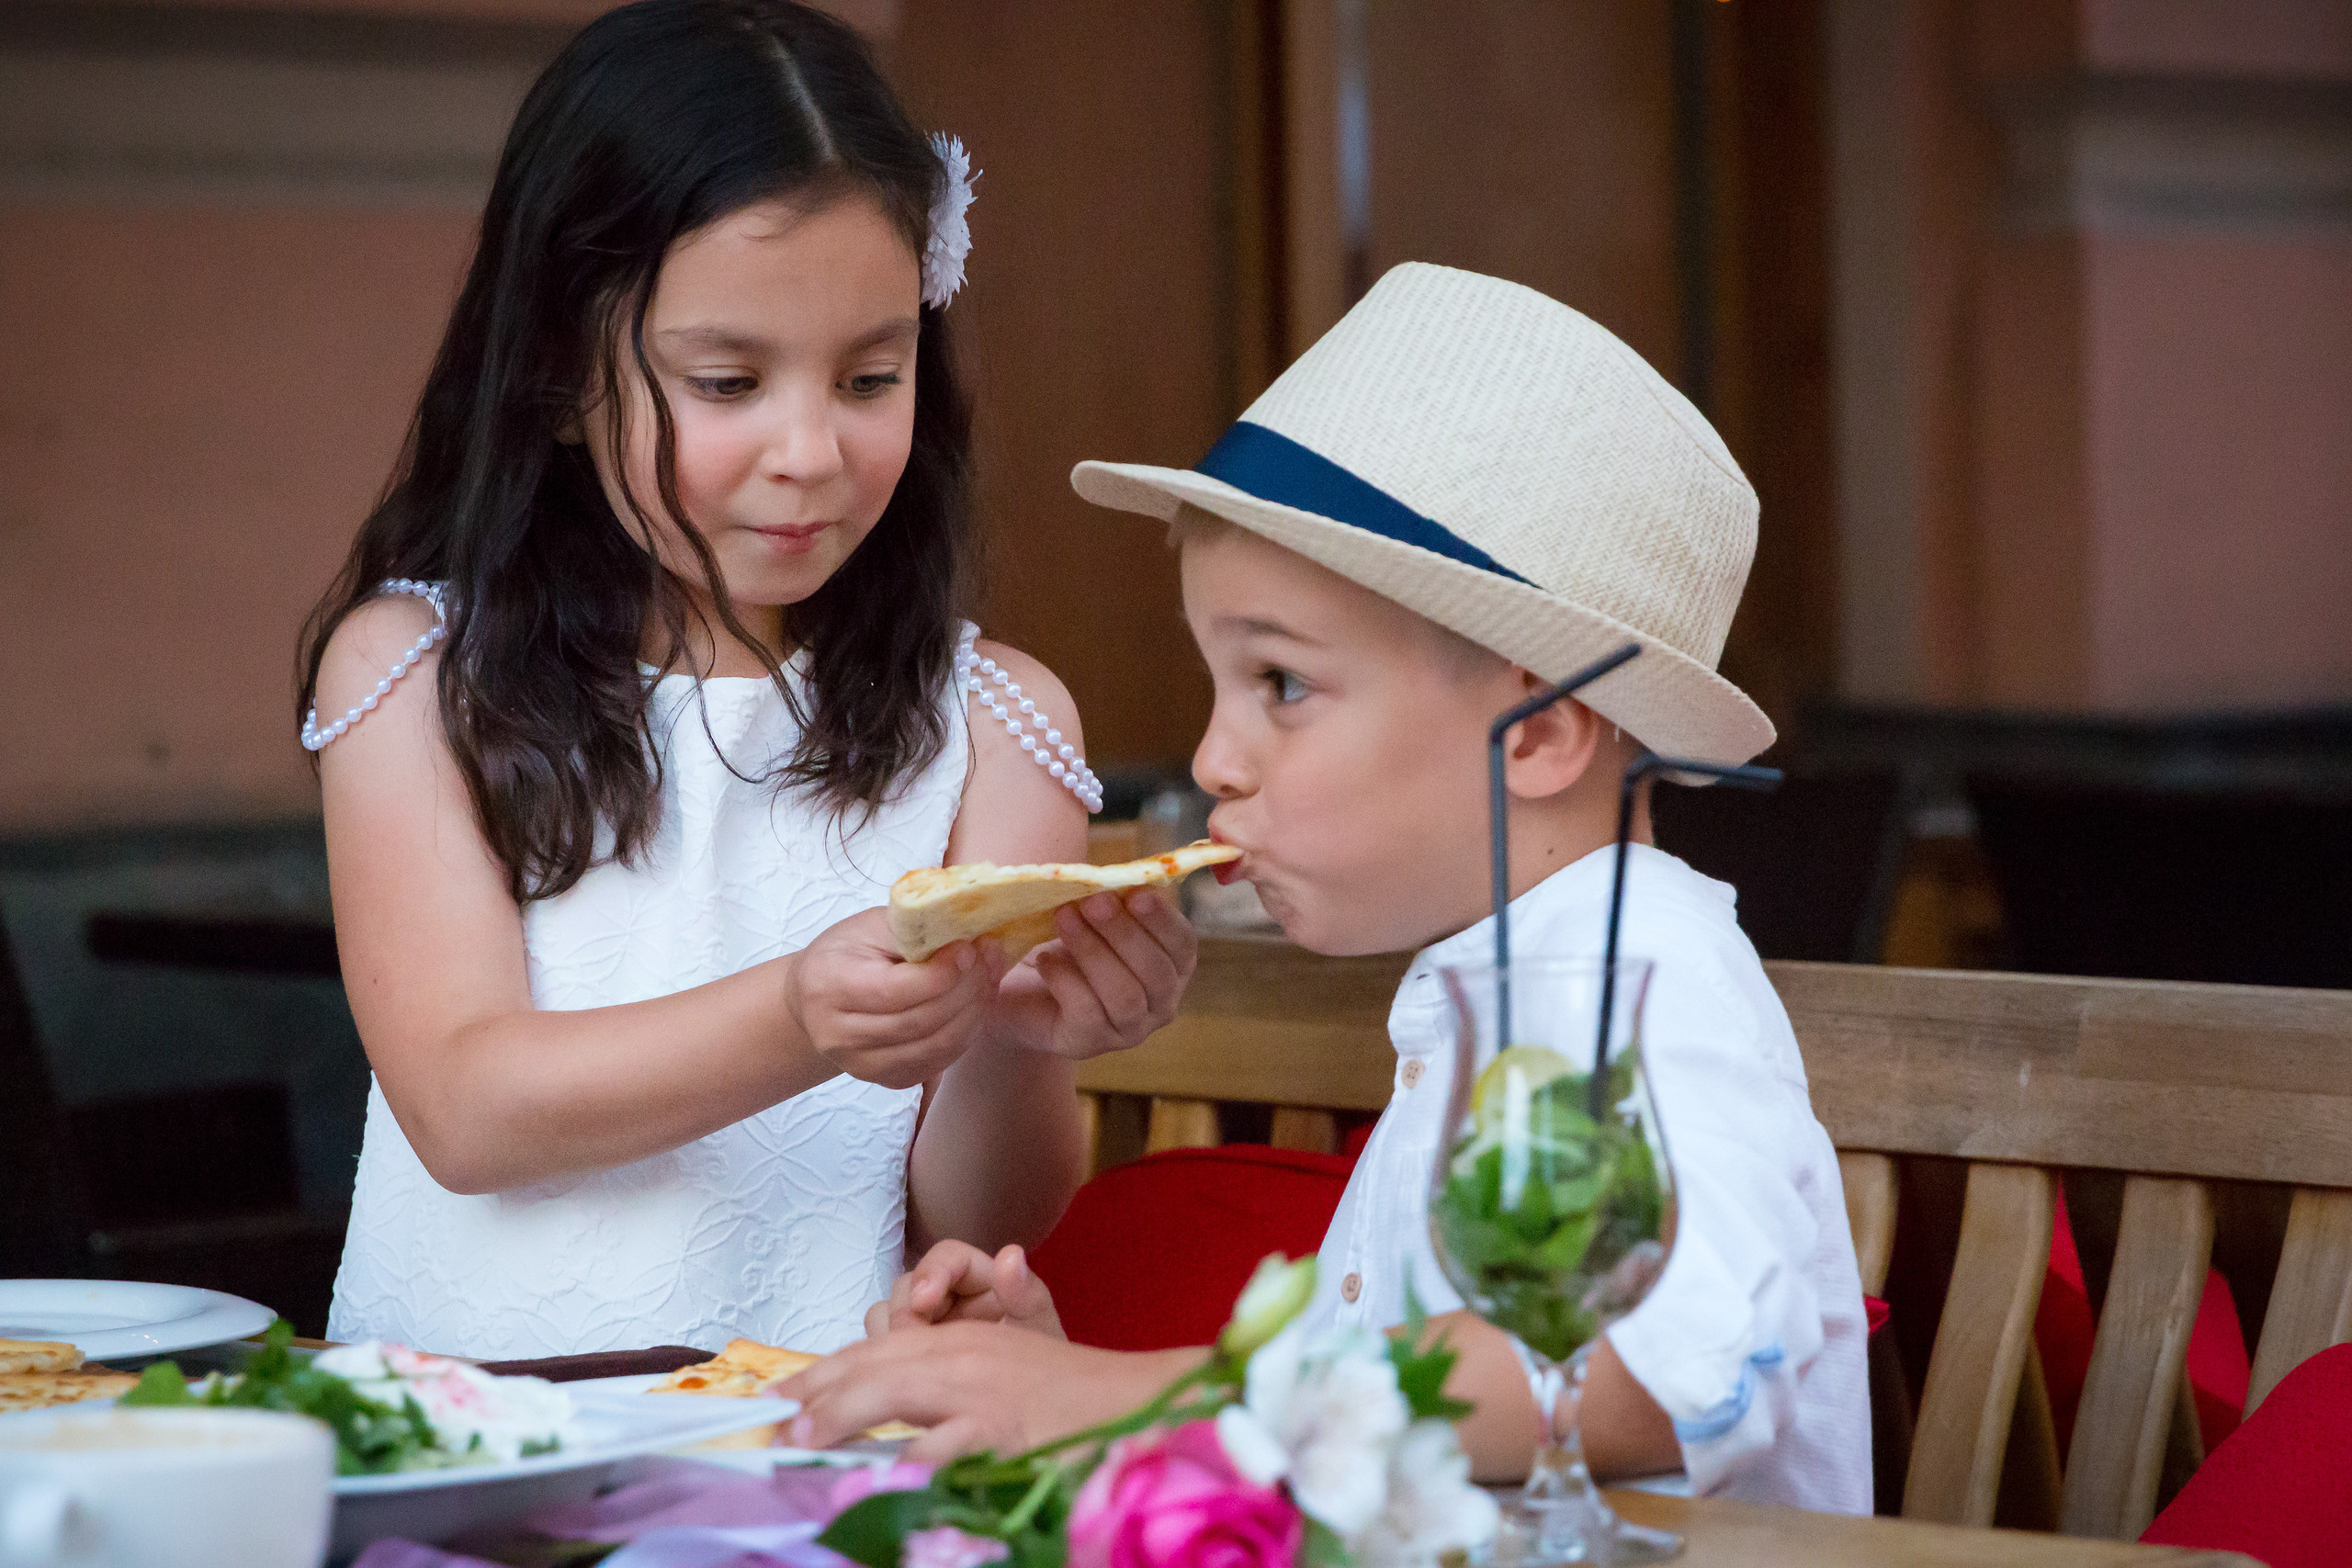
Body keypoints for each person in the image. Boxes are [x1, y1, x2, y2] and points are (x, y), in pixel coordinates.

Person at [778, 264, 1872, 1512]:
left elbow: (1645, 1374)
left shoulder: (1633, 983)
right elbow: (1382, 1446)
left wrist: (1127, 1401)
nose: (1208, 760)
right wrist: (1051, 1369)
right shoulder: (1489, 998)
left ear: (1540, 732)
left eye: (1282, 687)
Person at [299, 0, 1201, 1360]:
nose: (810, 451)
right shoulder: (423, 673)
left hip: (821, 1467)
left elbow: (985, 1216)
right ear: (553, 364)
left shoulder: (998, 726)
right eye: (727, 382)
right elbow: (466, 1109)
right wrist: (797, 1016)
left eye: (869, 376)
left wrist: (1021, 1037)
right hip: (472, 1457)